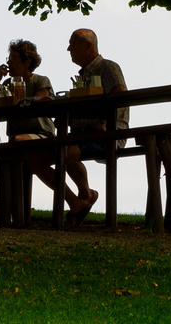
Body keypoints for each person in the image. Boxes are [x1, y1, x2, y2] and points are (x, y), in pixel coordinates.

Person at [0, 39, 88, 214]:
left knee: (17, 146)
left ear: (27, 61)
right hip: (19, 135)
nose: (9, 62)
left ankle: (3, 203)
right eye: (9, 58)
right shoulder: (8, 83)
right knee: (15, 151)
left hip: (41, 133)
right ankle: (5, 205)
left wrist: (14, 99)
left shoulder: (41, 81)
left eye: (14, 58)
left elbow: (37, 105)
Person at [59, 27, 127, 225]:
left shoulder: (108, 67)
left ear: (88, 45)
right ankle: (85, 195)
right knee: (54, 150)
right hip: (82, 135)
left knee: (61, 152)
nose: (68, 48)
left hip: (106, 135)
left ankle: (82, 198)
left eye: (73, 43)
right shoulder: (84, 74)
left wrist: (103, 122)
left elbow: (120, 94)